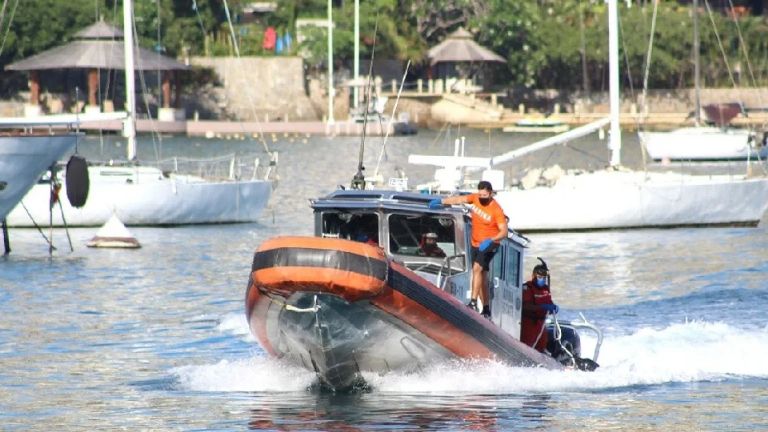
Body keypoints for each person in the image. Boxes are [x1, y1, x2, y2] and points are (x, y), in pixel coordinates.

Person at [428, 181, 507, 318]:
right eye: (480, 194)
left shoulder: (496, 210)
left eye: (485, 195)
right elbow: (459, 199)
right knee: (481, 275)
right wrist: (442, 201)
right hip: (475, 243)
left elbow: (504, 232)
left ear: (490, 193)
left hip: (490, 244)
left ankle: (473, 301)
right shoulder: (475, 198)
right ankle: (487, 308)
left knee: (476, 269)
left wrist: (491, 240)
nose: (482, 197)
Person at [520, 259, 559, 353]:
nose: (543, 279)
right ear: (534, 276)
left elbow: (549, 302)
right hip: (529, 324)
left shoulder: (545, 289)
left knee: (541, 347)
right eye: (540, 277)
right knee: (527, 346)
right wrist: (542, 307)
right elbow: (525, 306)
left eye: (544, 277)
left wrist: (553, 307)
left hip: (541, 324)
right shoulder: (527, 288)